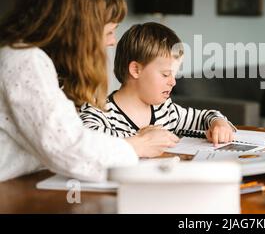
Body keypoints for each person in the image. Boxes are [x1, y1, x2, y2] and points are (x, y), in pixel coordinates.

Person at [0, 0, 179, 182]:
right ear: (80, 32)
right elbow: (67, 148)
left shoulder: (42, 63)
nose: (112, 41)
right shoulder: (24, 60)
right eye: (109, 32)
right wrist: (138, 145)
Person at [80, 22, 236, 145]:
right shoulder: (98, 111)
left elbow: (205, 116)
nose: (173, 81)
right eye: (165, 74)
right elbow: (89, 142)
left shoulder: (165, 110)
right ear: (136, 70)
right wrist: (143, 138)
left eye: (174, 74)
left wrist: (218, 123)